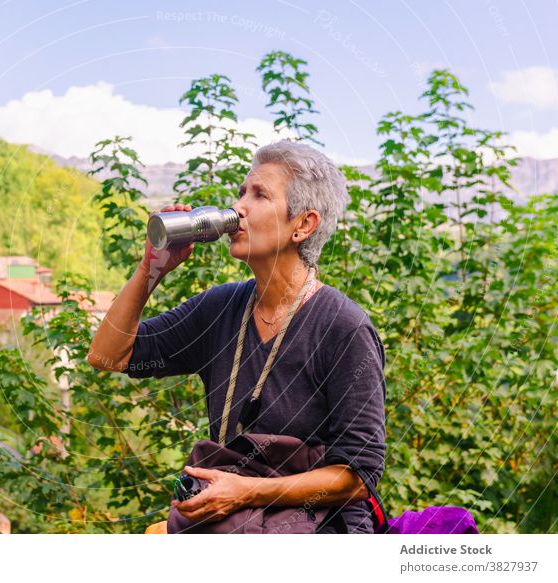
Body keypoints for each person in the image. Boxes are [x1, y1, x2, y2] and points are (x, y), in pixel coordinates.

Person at [87, 140, 387, 534]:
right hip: (235, 520)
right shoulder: (221, 308)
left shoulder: (344, 328)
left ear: (303, 225)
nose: (239, 207)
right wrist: (151, 269)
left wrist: (248, 491)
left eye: (260, 194)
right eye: (242, 192)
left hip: (320, 526)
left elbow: (359, 477)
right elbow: (108, 355)